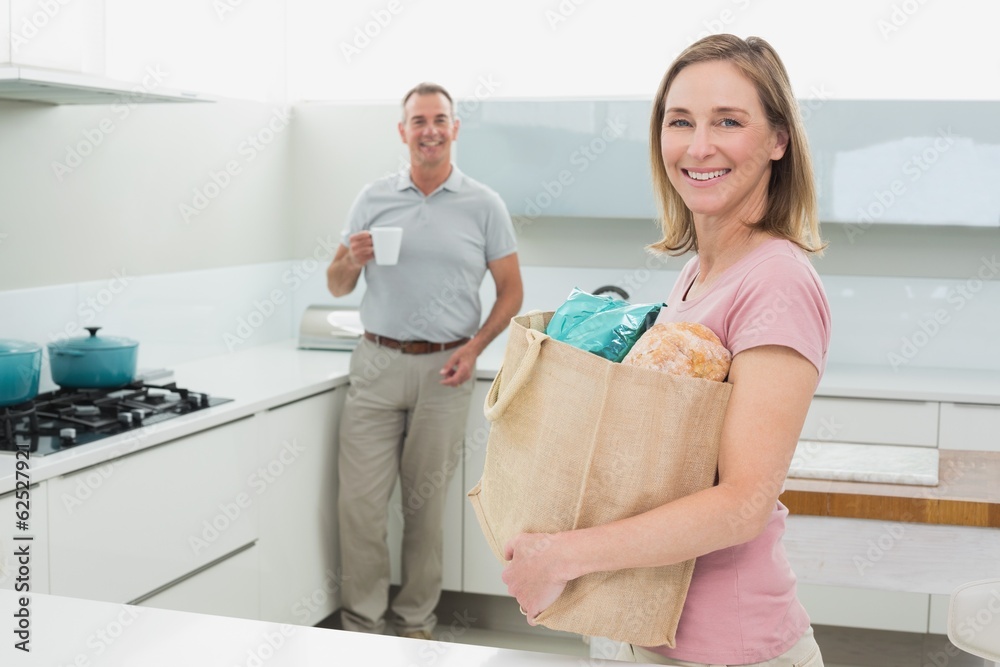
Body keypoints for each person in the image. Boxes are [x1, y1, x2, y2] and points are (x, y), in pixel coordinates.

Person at [500, 35, 830, 666]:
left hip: (730, 648)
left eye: (728, 121)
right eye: (680, 121)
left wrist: (563, 557)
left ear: (778, 140)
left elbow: (743, 504)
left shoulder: (777, 282)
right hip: (651, 629)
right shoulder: (695, 275)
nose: (698, 146)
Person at [326, 82, 523, 640]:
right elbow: (337, 284)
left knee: (425, 507)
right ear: (403, 131)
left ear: (454, 128)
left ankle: (415, 625)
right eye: (418, 121)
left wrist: (474, 348)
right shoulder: (372, 198)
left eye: (439, 120)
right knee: (360, 506)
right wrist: (351, 259)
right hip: (376, 364)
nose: (429, 130)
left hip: (446, 371)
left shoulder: (484, 204)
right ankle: (362, 627)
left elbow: (511, 291)